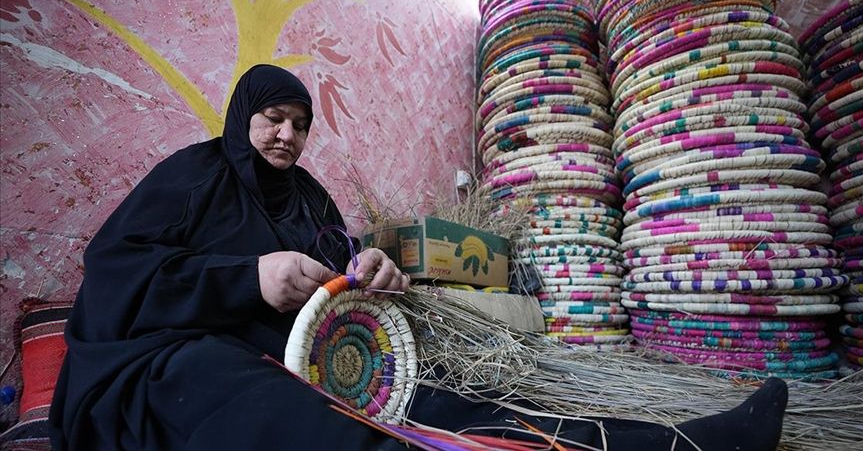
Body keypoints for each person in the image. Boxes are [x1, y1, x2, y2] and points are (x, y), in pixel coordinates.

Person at [49, 64, 788, 450]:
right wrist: (246, 276)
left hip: (305, 351)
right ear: (245, 116)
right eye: (273, 118)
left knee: (436, 394)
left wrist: (377, 274)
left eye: (301, 125)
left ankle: (668, 445)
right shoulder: (194, 174)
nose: (286, 136)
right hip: (174, 357)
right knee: (280, 409)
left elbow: (341, 265)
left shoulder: (304, 195)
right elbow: (115, 275)